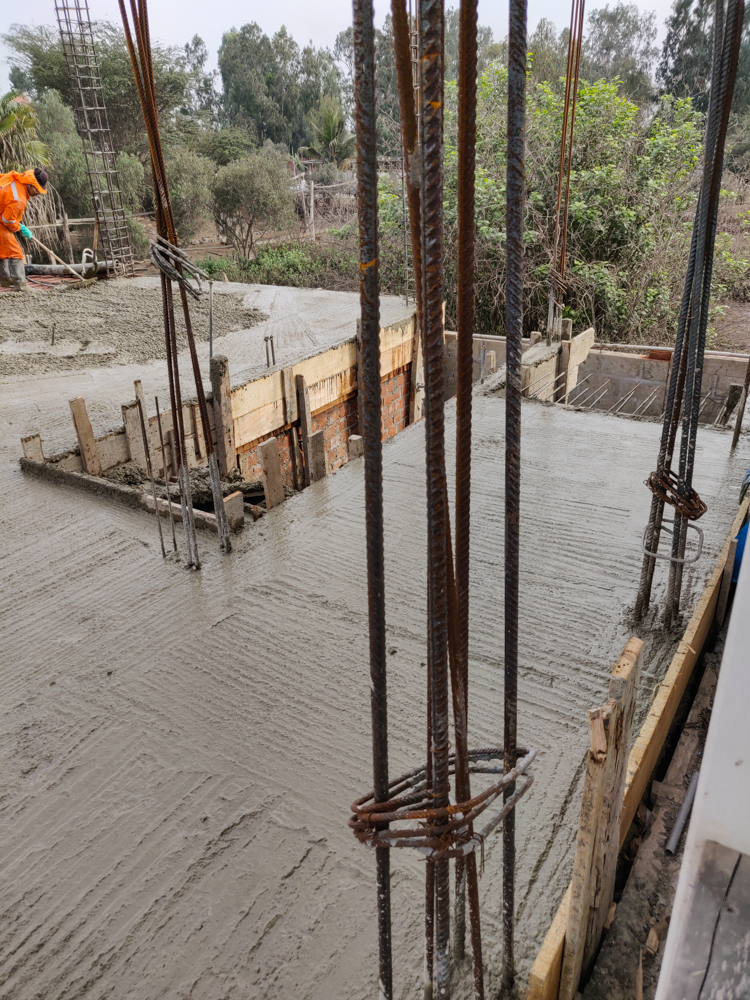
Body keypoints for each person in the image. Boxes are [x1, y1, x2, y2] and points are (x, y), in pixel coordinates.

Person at [0, 167, 48, 292]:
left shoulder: (16, 180)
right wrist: (20, 227)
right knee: (15, 252)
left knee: (4, 248)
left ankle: (4, 279)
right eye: (37, 191)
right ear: (30, 185)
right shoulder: (18, 199)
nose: (37, 195)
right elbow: (7, 220)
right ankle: (21, 285)